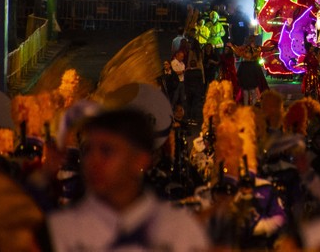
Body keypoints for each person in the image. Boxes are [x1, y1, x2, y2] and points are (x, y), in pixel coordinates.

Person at [47, 108, 209, 251]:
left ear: (140, 160)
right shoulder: (61, 231)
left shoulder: (179, 229)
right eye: (88, 150)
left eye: (106, 151)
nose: (93, 162)